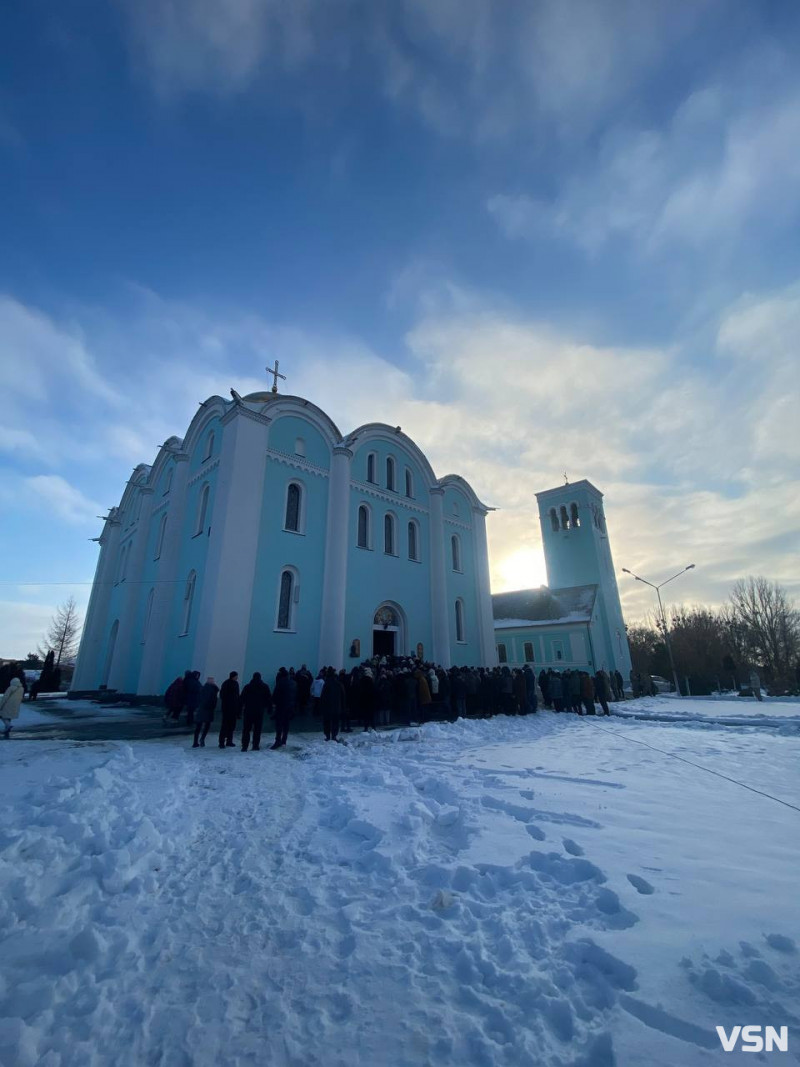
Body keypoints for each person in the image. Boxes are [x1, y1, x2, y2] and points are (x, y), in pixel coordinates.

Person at [240, 672, 271, 751]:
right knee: (257, 729)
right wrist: (269, 708)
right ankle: (255, 745)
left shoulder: (248, 687)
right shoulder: (264, 687)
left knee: (246, 729)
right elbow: (268, 698)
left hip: (248, 710)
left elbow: (242, 699)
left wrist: (239, 709)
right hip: (259, 711)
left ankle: (244, 746)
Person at [271, 667, 296, 748]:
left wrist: (274, 703)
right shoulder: (293, 683)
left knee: (279, 724)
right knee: (286, 724)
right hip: (290, 706)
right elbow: (296, 695)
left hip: (281, 706)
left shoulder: (280, 683)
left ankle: (278, 740)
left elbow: (275, 694)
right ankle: (284, 740)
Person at [193, 677, 218, 747]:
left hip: (203, 709)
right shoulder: (211, 690)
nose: (212, 681)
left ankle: (196, 741)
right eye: (212, 680)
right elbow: (213, 700)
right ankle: (201, 739)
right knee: (206, 725)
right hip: (208, 709)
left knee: (199, 726)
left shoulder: (203, 688)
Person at [320, 668, 344, 741]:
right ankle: (334, 736)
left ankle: (327, 736)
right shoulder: (339, 684)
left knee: (327, 722)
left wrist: (321, 706)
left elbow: (322, 697)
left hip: (327, 707)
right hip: (336, 707)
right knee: (335, 722)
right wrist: (343, 706)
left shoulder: (326, 684)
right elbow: (343, 696)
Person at [218, 671, 240, 748]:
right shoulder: (226, 684)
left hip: (233, 708)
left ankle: (229, 741)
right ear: (233, 676)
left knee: (231, 725)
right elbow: (222, 695)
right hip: (227, 708)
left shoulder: (235, 684)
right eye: (236, 676)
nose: (237, 677)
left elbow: (237, 695)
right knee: (225, 725)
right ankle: (221, 742)